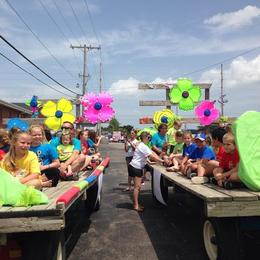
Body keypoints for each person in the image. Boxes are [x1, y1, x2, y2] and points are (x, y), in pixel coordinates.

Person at [129, 132, 165, 212]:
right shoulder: (143, 146)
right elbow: (151, 155)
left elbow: (148, 154)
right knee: (137, 188)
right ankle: (136, 206)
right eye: (149, 138)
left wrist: (151, 162)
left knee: (137, 187)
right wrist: (162, 160)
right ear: (146, 138)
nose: (150, 140)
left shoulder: (142, 145)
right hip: (136, 167)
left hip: (134, 166)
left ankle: (136, 204)